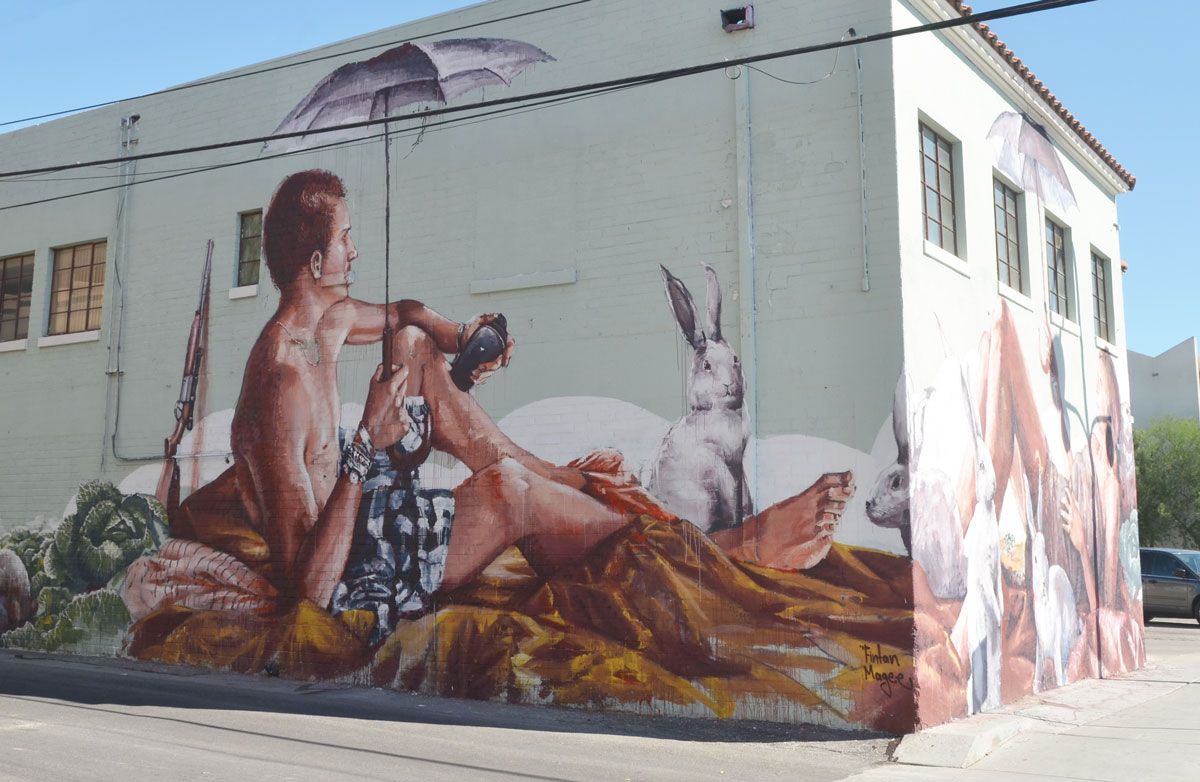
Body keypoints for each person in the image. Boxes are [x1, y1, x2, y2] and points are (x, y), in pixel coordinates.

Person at [125, 169, 857, 662]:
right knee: (509, 492)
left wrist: (459, 335)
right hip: (356, 569)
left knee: (415, 349)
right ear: (316, 263)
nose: (356, 247)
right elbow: (308, 586)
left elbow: (406, 315)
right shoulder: (281, 379)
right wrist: (367, 444)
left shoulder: (327, 320)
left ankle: (567, 484)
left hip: (372, 515)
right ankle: (718, 553)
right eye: (346, 238)